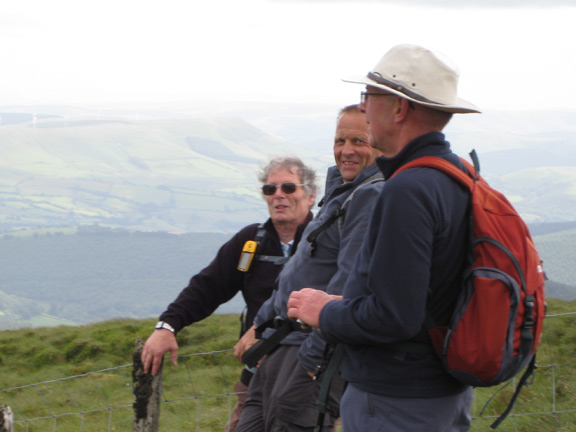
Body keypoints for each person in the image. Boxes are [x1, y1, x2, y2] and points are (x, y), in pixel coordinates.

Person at [287, 44, 481, 432]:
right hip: (441, 389)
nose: (364, 109)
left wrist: (323, 310)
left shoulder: (407, 189)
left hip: (398, 399)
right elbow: (421, 297)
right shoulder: (457, 175)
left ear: (399, 108)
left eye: (369, 97)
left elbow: (395, 317)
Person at [234, 104, 383, 432]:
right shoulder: (340, 195)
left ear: (380, 142)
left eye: (359, 140)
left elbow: (348, 284)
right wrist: (259, 327)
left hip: (309, 348)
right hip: (281, 345)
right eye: (339, 140)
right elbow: (298, 272)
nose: (346, 151)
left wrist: (314, 358)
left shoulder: (369, 197)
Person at [141, 155, 317, 432]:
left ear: (310, 195)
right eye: (270, 189)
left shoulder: (326, 243)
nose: (278, 196)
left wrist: (263, 329)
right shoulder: (251, 242)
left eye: (288, 188)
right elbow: (208, 287)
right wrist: (167, 325)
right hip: (256, 375)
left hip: (307, 376)